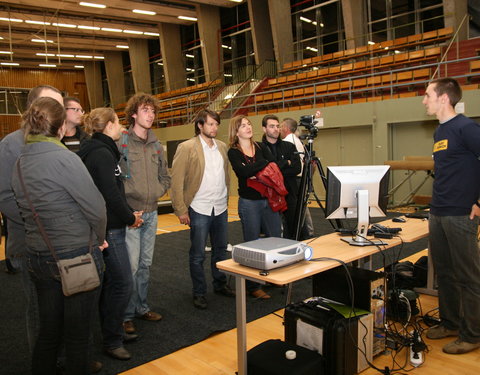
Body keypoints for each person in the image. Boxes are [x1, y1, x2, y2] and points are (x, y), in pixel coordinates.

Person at [11, 97, 107, 375]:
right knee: (78, 336)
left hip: (39, 255)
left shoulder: (19, 162)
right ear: (62, 126)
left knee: (49, 331)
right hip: (75, 254)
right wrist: (99, 238)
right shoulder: (66, 158)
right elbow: (96, 208)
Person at [0, 85, 64, 355]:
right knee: (39, 309)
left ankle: (61, 357)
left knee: (61, 305)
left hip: (60, 240)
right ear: (34, 108)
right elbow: (5, 197)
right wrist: (42, 222)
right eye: (54, 103)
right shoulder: (11, 145)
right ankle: (45, 364)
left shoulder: (57, 141)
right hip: (30, 242)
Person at [77, 107, 144, 361]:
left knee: (111, 285)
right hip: (109, 230)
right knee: (123, 283)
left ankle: (112, 330)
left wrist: (128, 213)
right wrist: (130, 217)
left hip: (111, 226)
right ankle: (112, 339)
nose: (122, 127)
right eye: (118, 123)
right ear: (108, 126)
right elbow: (109, 194)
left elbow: (114, 191)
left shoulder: (101, 150)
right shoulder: (101, 153)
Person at [422, 77, 480, 354]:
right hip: (439, 211)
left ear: (443, 98)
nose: (424, 101)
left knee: (468, 276)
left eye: (428, 95)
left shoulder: (466, 128)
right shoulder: (439, 132)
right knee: (443, 272)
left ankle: (471, 335)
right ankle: (450, 322)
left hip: (461, 214)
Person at [170, 109, 235, 309]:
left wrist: (225, 200)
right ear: (200, 125)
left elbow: (226, 175)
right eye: (210, 124)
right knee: (197, 254)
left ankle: (220, 284)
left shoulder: (222, 147)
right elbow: (177, 180)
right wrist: (180, 209)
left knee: (220, 250)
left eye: (216, 125)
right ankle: (199, 292)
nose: (214, 128)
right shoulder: (186, 147)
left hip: (220, 207)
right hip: (199, 208)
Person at [119, 93, 171, 334]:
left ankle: (141, 307)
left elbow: (165, 176)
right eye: (145, 110)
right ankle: (125, 315)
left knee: (145, 265)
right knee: (129, 266)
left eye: (152, 111)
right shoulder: (121, 142)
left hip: (151, 213)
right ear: (133, 114)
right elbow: (114, 178)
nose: (150, 115)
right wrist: (131, 200)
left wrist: (157, 192)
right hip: (131, 215)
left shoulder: (157, 144)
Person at [228, 115, 282, 299]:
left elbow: (273, 164)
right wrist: (261, 167)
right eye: (243, 125)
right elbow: (243, 172)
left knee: (275, 239)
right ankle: (253, 286)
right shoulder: (233, 152)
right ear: (236, 131)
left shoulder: (260, 146)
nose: (248, 127)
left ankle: (273, 277)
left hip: (268, 199)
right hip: (249, 203)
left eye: (249, 124)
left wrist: (255, 170)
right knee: (252, 244)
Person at [261, 114, 301, 239]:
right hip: (269, 194)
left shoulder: (289, 146)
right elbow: (264, 171)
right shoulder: (259, 148)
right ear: (264, 129)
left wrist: (276, 168)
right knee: (271, 231)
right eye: (272, 126)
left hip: (289, 192)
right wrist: (286, 162)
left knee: (293, 228)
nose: (276, 129)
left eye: (277, 126)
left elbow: (297, 168)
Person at [280, 117, 315, 239]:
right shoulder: (298, 140)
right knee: (301, 208)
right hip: (300, 179)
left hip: (294, 180)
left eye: (280, 126)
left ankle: (299, 235)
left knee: (294, 211)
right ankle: (307, 233)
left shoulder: (288, 141)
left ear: (286, 128)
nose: (279, 129)